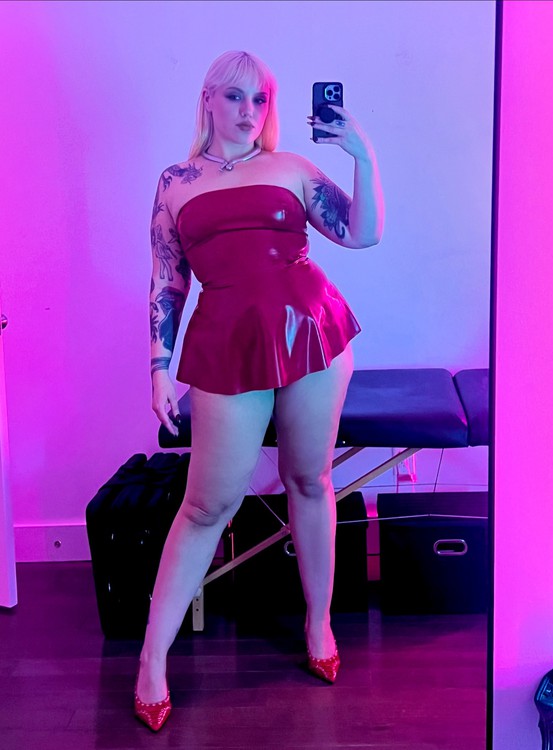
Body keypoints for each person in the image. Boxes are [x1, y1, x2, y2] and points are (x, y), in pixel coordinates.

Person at [136, 50, 384, 731]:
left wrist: (361, 155)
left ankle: (318, 622)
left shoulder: (292, 168)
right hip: (226, 343)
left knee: (310, 480)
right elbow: (166, 281)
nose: (249, 111)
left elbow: (362, 234)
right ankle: (152, 659)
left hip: (313, 333)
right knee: (206, 504)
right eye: (236, 97)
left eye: (261, 99)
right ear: (209, 100)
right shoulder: (176, 182)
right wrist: (158, 367)